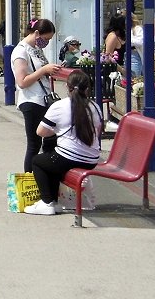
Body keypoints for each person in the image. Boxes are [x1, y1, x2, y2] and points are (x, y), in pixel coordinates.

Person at [25, 69, 104, 215]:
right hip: (91, 159)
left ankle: (47, 202)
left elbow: (41, 132)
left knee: (37, 161)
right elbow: (97, 131)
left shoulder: (59, 106)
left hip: (69, 158)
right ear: (87, 89)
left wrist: (58, 131)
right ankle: (53, 202)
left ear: (67, 87)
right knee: (51, 159)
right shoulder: (95, 107)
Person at [10, 17, 61, 173]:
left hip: (43, 100)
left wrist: (51, 70)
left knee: (51, 140)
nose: (47, 42)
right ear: (37, 33)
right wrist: (44, 71)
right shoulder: (21, 51)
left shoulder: (36, 49)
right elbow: (22, 82)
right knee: (34, 144)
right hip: (31, 101)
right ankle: (29, 181)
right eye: (46, 39)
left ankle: (44, 177)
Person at [127, 13, 145, 77]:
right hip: (126, 54)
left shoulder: (137, 29)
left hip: (134, 53)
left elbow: (140, 42)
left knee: (134, 77)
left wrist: (129, 40)